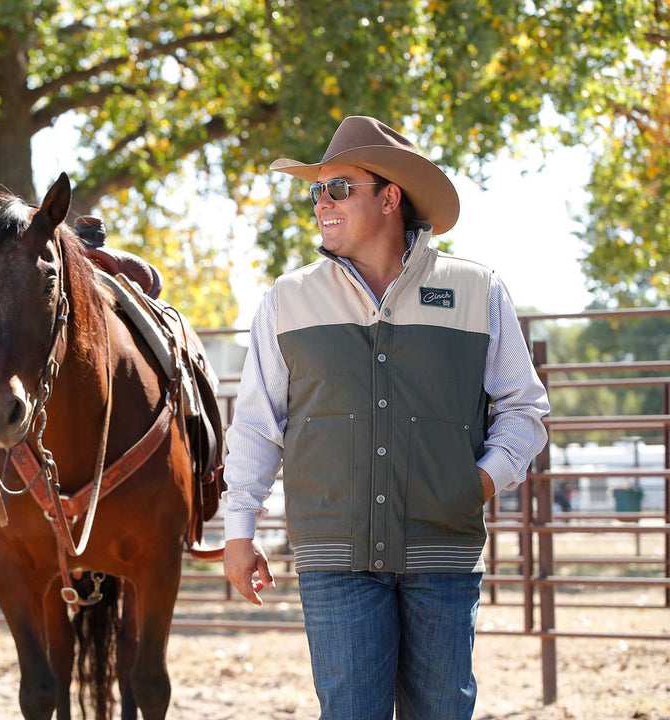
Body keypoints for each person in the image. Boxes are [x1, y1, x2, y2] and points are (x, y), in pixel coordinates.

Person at [222, 115, 550, 719]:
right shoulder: (286, 300)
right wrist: (239, 531)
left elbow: (524, 411)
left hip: (442, 556)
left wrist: (474, 484)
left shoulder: (478, 291)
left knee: (442, 713)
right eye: (316, 190)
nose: (322, 202)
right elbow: (256, 425)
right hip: (334, 557)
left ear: (390, 196)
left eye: (339, 187)